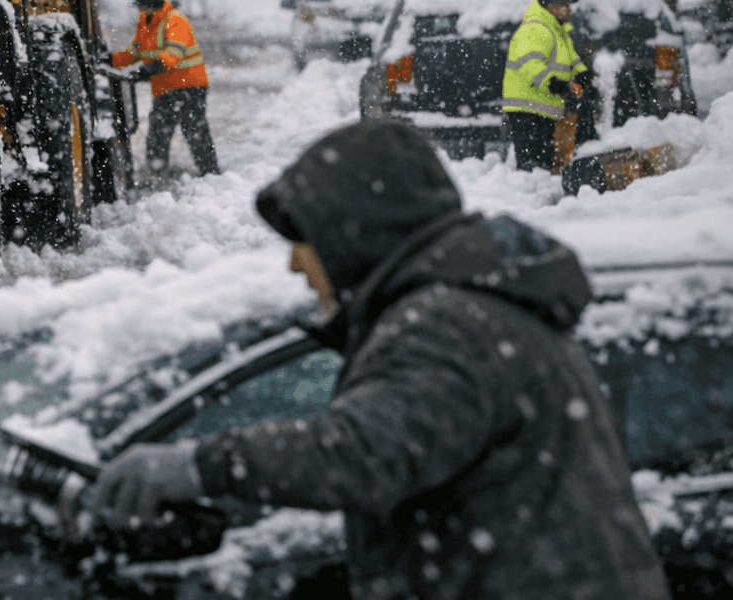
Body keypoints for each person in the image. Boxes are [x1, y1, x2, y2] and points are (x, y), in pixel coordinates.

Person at [90, 120, 668, 599]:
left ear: (358, 234)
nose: (296, 266)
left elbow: (365, 452)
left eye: (306, 241)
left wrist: (199, 466)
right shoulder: (463, 305)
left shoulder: (447, 323)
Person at [112, 0, 219, 177]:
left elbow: (174, 54)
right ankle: (156, 171)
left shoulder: (175, 20)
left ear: (153, 6)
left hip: (189, 86)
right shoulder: (146, 23)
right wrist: (111, 60)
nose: (140, 11)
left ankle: (210, 173)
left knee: (195, 131)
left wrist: (150, 69)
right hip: (165, 88)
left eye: (142, 7)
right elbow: (135, 52)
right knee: (158, 133)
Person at [502, 0, 589, 172]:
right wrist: (552, 83)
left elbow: (571, 62)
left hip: (543, 106)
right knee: (532, 166)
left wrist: (583, 76)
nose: (569, 10)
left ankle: (535, 193)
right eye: (564, 5)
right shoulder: (536, 28)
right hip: (527, 107)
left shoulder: (557, 32)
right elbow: (529, 63)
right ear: (551, 7)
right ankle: (526, 196)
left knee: (542, 164)